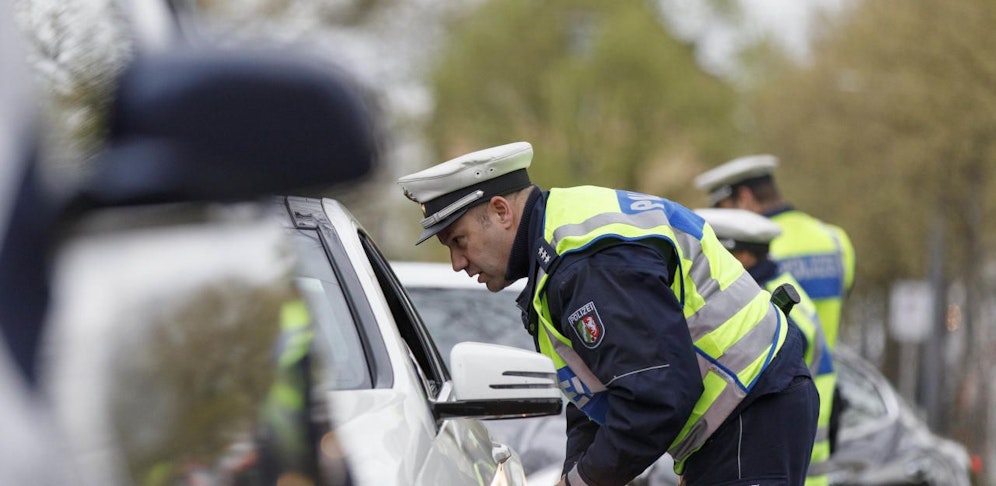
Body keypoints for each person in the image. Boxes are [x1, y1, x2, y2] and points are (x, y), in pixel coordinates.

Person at [398, 141, 818, 486]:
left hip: (749, 408)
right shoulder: (557, 248)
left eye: (459, 241)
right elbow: (601, 387)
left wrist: (583, 480)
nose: (457, 263)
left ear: (501, 212)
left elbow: (655, 396)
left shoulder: (586, 265)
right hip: (740, 413)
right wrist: (577, 474)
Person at [695, 208, 838, 486]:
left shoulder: (768, 309)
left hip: (782, 462)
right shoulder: (774, 292)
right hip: (792, 459)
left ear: (744, 256)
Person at [693, 154, 855, 350]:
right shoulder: (836, 239)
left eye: (721, 207)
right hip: (825, 366)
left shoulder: (750, 253)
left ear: (744, 198)